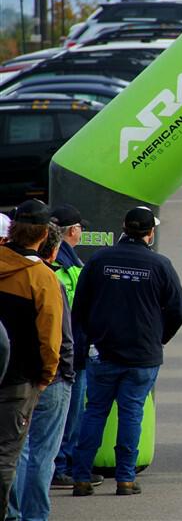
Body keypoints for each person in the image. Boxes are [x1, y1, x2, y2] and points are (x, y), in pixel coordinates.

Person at [71, 206, 182, 497]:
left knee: (94, 412)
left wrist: (91, 339)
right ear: (151, 233)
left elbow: (79, 307)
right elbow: (178, 310)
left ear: (123, 227)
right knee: (131, 414)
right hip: (142, 355)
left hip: (104, 351)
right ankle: (125, 479)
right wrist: (159, 337)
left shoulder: (98, 260)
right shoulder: (160, 265)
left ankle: (81, 476)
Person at [0, 200, 63, 517]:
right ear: (42, 236)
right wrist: (47, 374)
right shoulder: (42, 277)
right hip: (18, 378)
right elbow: (50, 336)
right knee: (8, 453)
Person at [8, 223, 74, 521]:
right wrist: (54, 374)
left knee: (15, 452)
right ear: (51, 245)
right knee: (42, 455)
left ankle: (13, 512)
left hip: (10, 376)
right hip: (44, 378)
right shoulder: (45, 278)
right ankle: (34, 517)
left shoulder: (10, 271)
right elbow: (56, 335)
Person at [48, 204, 103, 490]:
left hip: (72, 348)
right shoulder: (61, 263)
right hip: (70, 352)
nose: (82, 231)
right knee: (69, 414)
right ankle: (61, 466)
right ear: (72, 230)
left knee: (71, 412)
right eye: (80, 227)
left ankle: (64, 463)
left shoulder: (64, 259)